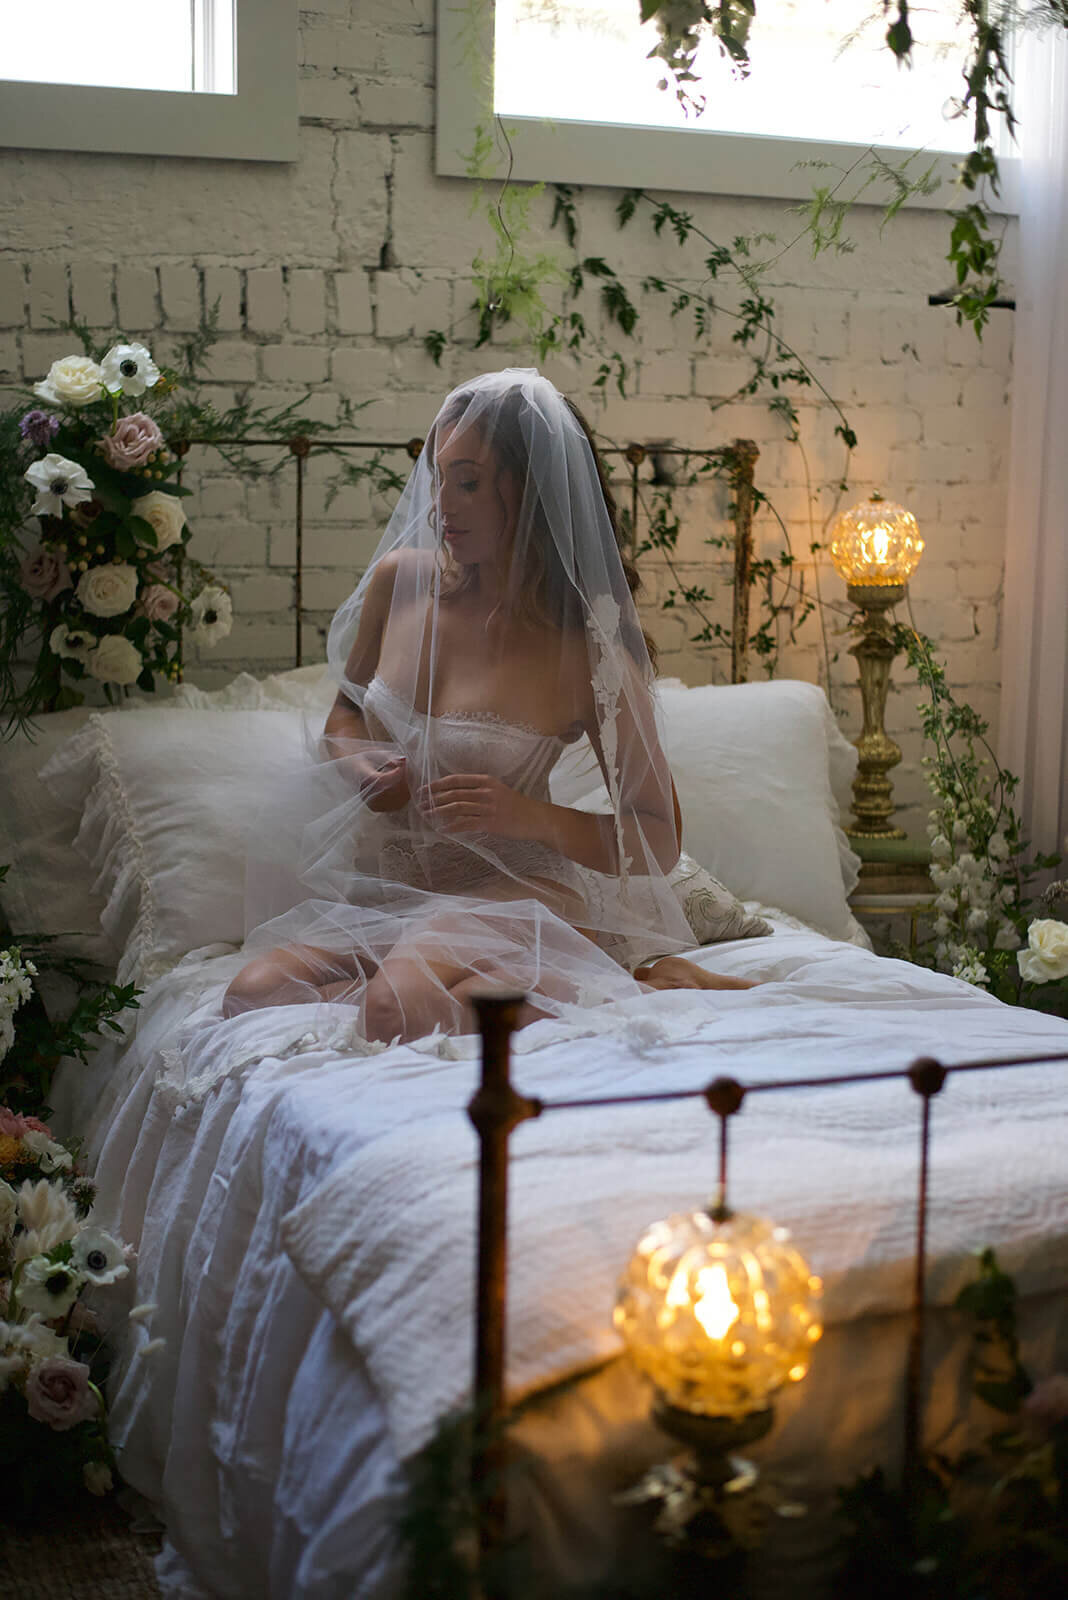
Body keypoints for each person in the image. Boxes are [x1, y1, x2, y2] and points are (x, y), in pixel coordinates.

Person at [224, 369, 752, 1039]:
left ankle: (558, 976)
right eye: (439, 476)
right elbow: (345, 713)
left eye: (468, 482)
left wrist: (525, 814)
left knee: (393, 1007)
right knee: (254, 992)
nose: (443, 503)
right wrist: (364, 770)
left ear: (532, 492)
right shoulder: (402, 585)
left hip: (517, 895)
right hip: (400, 891)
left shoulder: (585, 655)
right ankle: (561, 995)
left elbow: (657, 838)